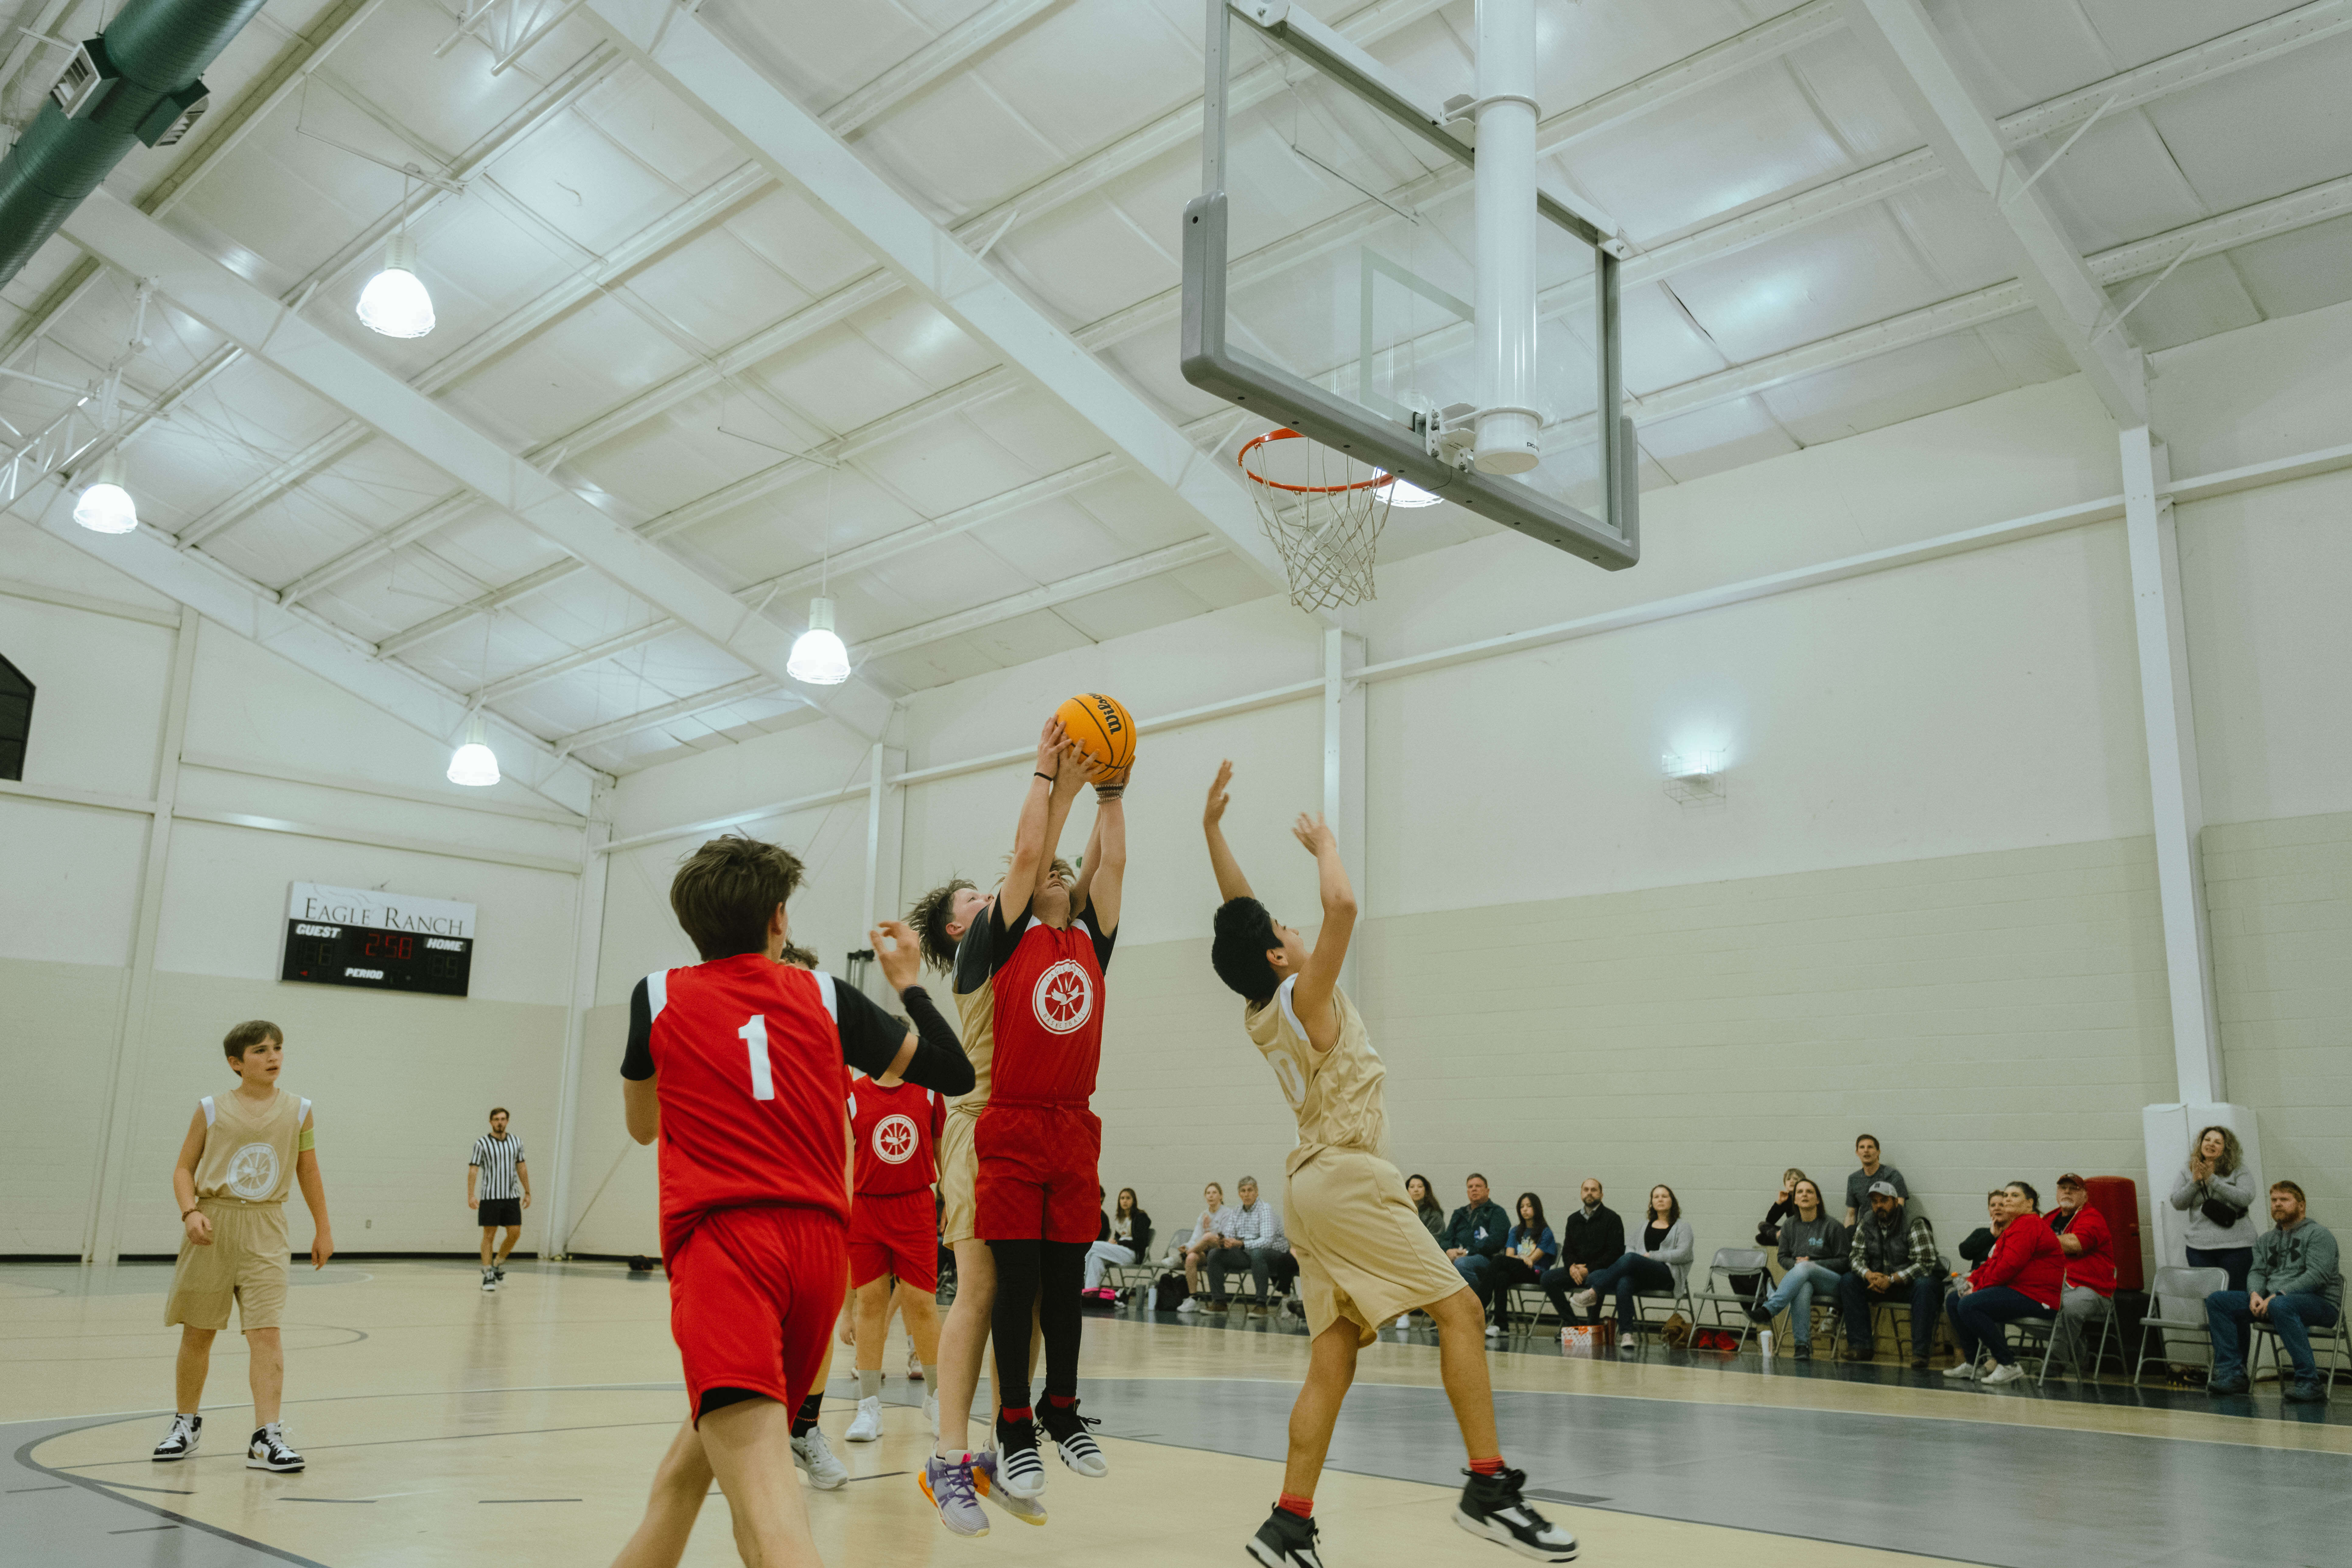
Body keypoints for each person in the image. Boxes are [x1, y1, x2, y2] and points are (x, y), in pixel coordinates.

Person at [1202, 761, 1576, 1566]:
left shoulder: (1260, 1011)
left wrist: (1213, 834)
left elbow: (1243, 917)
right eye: (1285, 936)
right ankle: (1488, 1488)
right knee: (1463, 1310)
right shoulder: (1305, 994)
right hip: (1347, 1175)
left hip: (1306, 1186)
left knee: (1333, 1355)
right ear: (1277, 958)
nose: (1299, 933)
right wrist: (1325, 844)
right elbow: (1342, 904)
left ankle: (1289, 1522)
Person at [604, 839, 973, 1568]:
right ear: (779, 919)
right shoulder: (828, 996)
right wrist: (907, 984)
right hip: (815, 1258)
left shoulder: (657, 995)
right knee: (687, 1480)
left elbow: (642, 1128)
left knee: (772, 1514)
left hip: (727, 1255)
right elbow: (953, 1072)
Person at [960, 719, 1127, 1507]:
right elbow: (1029, 858)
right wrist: (1042, 774)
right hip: (1015, 1123)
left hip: (1074, 1126)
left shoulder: (1093, 939)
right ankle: (1014, 1426)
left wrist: (1113, 791)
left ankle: (1063, 1412)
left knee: (1065, 1285)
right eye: (1048, 871)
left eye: (1070, 871)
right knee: (1017, 1286)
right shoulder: (1005, 936)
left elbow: (1110, 860)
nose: (1060, 872)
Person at [903, 863, 1048, 1535]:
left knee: (1037, 1293)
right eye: (972, 898)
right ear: (959, 926)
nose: (986, 897)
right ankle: (946, 1457)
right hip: (981, 1126)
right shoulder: (976, 948)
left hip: (1034, 1130)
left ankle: (1001, 1448)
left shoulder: (1027, 947)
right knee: (980, 1290)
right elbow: (1025, 863)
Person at [151, 1020, 332, 1472]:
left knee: (266, 1331)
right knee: (199, 1331)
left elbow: (309, 1171)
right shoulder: (211, 1109)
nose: (273, 1057)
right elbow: (182, 1169)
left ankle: (266, 1437)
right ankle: (186, 1424)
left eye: (278, 1049)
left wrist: (323, 1228)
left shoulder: (300, 1110)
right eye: (260, 1051)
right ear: (237, 1063)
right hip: (213, 1222)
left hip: (267, 1226)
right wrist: (190, 1211)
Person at [842, 1060, 948, 1445]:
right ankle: (869, 1405)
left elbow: (940, 1146)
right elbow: (845, 1156)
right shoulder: (852, 1095)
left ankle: (938, 1400)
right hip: (866, 1207)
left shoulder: (929, 1090)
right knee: (870, 1305)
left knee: (922, 1304)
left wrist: (949, 1195)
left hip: (915, 1205)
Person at [2205, 1181, 2341, 1402]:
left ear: (2301, 1206)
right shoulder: (2266, 1240)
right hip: (2273, 1301)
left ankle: (2309, 1382)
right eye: (2274, 1200)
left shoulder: (2319, 1235)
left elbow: (2317, 1276)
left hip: (2320, 1303)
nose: (2278, 1204)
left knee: (2281, 1305)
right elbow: (2257, 1272)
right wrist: (2255, 1295)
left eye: (2285, 1200)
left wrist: (2278, 1295)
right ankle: (2233, 1375)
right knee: (2218, 1301)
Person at [1943, 1182, 2063, 1386]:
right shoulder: (2015, 1227)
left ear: (2030, 1203)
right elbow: (1993, 1263)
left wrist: (1978, 1289)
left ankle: (2008, 1364)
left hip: (2039, 1298)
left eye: (2015, 1195)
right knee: (1955, 1298)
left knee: (1969, 1304)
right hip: (2019, 1291)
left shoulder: (2030, 1225)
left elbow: (2008, 1268)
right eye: (2006, 1195)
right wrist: (1971, 1281)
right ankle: (1974, 1363)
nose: (2007, 1199)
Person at [1835, 1180, 1944, 1368]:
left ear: (1895, 1201)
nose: (1879, 1206)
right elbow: (1855, 1257)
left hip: (1910, 1285)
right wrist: (1868, 1274)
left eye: (1884, 1200)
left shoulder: (1914, 1221)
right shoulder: (1867, 1221)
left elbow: (1926, 1263)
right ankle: (1861, 1347)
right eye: (1875, 1202)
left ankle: (1920, 1353)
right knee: (1849, 1281)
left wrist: (1892, 1279)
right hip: (1878, 1282)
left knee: (1926, 1284)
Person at [1747, 1179, 1847, 1359]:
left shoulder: (1832, 1226)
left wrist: (1814, 1264)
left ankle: (1770, 1308)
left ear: (1818, 1200)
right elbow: (1783, 1257)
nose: (1804, 1195)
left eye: (1809, 1192)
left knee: (1805, 1268)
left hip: (1832, 1282)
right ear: (1794, 1200)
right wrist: (1796, 1265)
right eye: (1800, 1192)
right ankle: (1802, 1346)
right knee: (1803, 1287)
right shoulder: (1789, 1226)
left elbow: (1844, 1261)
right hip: (1803, 1279)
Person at [1583, 1185, 1692, 1342]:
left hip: (1666, 1275)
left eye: (1665, 1196)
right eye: (1656, 1197)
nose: (1660, 1199)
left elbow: (1684, 1254)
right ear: (1652, 1202)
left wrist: (1652, 1256)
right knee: (1608, 1278)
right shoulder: (1643, 1226)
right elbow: (1631, 1249)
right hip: (1641, 1275)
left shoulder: (1683, 1227)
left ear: (1672, 1201)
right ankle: (1627, 1334)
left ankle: (1593, 1292)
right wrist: (1630, 1263)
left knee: (1632, 1259)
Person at [2171, 1124, 2259, 1293]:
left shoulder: (2238, 1170)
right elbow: (2177, 1203)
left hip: (2237, 1246)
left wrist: (2213, 1181)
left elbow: (2246, 1198)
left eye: (2218, 1142)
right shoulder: (2188, 1171)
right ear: (2201, 1144)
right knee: (2211, 1299)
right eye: (2207, 1140)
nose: (2211, 1144)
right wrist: (2195, 1183)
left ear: (2226, 1148)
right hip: (2199, 1248)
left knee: (2236, 1297)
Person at [2045, 1174, 2116, 1379]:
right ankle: (2079, 1351)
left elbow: (2075, 1244)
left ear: (2085, 1195)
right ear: (2057, 1193)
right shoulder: (2049, 1218)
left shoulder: (2092, 1218)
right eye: (2063, 1188)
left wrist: (2040, 1238)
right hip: (2055, 1285)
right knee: (2019, 1303)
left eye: (2073, 1189)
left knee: (2070, 1308)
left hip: (2091, 1288)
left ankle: (2055, 1364)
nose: (2067, 1192)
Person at [1541, 1178, 1625, 1326]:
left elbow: (1615, 1253)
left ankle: (1592, 1326)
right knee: (1548, 1278)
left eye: (1594, 1190)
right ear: (1581, 1193)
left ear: (1602, 1194)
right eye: (1586, 1190)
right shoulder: (1573, 1219)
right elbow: (1567, 1251)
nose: (1589, 1193)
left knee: (1594, 1279)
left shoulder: (1613, 1219)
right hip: (1577, 1270)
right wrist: (1572, 1268)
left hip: (1599, 1271)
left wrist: (1588, 1269)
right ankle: (1572, 1323)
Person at [467, 1107, 529, 1293]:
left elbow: (522, 1168)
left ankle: (498, 1263)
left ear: (508, 1121)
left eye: (503, 1119)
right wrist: (471, 1195)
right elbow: (473, 1170)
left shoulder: (516, 1142)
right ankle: (487, 1274)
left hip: (511, 1196)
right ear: (491, 1122)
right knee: (489, 1235)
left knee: (515, 1233)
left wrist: (528, 1192)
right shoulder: (482, 1144)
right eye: (496, 1119)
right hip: (491, 1197)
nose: (500, 1122)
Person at [1206, 1176, 1288, 1315]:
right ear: (1239, 1194)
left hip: (1274, 1254)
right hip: (1246, 1252)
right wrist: (1224, 1242)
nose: (1247, 1194)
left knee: (1257, 1253)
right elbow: (1230, 1235)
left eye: (1250, 1190)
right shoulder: (1236, 1211)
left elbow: (1267, 1241)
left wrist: (1242, 1243)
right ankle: (1220, 1302)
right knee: (1215, 1254)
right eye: (1243, 1191)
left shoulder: (1265, 1209)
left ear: (1257, 1192)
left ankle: (1261, 1305)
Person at [1439, 1174, 1510, 1326]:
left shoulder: (1497, 1213)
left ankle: (1476, 1306)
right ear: (1467, 1192)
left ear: (1487, 1191)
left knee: (1463, 1265)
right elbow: (1446, 1238)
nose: (1474, 1190)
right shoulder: (1459, 1214)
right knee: (1435, 1265)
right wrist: (1448, 1251)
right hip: (1456, 1256)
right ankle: (1442, 1315)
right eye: (1470, 1187)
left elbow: (1496, 1241)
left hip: (1485, 1258)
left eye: (1478, 1186)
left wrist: (1468, 1252)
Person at [1483, 1193, 1555, 1337]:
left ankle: (1481, 1302)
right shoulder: (1515, 1231)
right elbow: (1510, 1257)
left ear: (1537, 1209)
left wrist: (1522, 1258)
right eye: (1522, 1207)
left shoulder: (1546, 1233)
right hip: (1518, 1269)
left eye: (1529, 1206)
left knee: (1498, 1261)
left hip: (1536, 1273)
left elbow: (1532, 1260)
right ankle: (1501, 1326)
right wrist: (1522, 1257)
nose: (1525, 1210)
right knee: (1502, 1276)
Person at [1394, 1174, 1446, 1330]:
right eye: (1412, 1187)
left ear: (1426, 1190)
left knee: (1403, 1268)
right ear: (1407, 1191)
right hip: (1401, 1254)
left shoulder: (1434, 1214)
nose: (1416, 1190)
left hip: (1425, 1257)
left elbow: (1435, 1241)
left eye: (1420, 1187)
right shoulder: (1399, 1211)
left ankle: (1403, 1313)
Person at [1085, 1187, 1152, 1291]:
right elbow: (1118, 1239)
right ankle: (1090, 1291)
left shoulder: (1141, 1217)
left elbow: (1140, 1242)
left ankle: (1079, 1284)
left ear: (1134, 1201)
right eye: (1122, 1198)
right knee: (1095, 1258)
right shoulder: (1120, 1219)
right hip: (1120, 1252)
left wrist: (1118, 1243)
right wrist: (1114, 1242)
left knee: (1092, 1246)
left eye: (1128, 1198)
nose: (1125, 1201)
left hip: (1132, 1254)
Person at [1177, 1181, 1227, 1314]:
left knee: (1209, 1236)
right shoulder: (1203, 1215)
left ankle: (1186, 1254)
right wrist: (1186, 1245)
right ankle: (1194, 1298)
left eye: (1214, 1193)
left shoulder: (1227, 1213)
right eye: (1208, 1193)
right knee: (1192, 1258)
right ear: (1206, 1197)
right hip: (1205, 1251)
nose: (1211, 1196)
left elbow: (1226, 1237)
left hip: (1221, 1250)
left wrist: (1209, 1231)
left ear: (1221, 1196)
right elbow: (1196, 1237)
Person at [1843, 1135, 1907, 1228]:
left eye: (1870, 1147)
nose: (1866, 1151)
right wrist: (1847, 1236)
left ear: (1878, 1152)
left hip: (1890, 1229)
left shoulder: (1892, 1176)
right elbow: (1851, 1215)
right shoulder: (1853, 1179)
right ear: (1857, 1153)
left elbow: (1900, 1210)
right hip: (1864, 1231)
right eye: (1862, 1147)